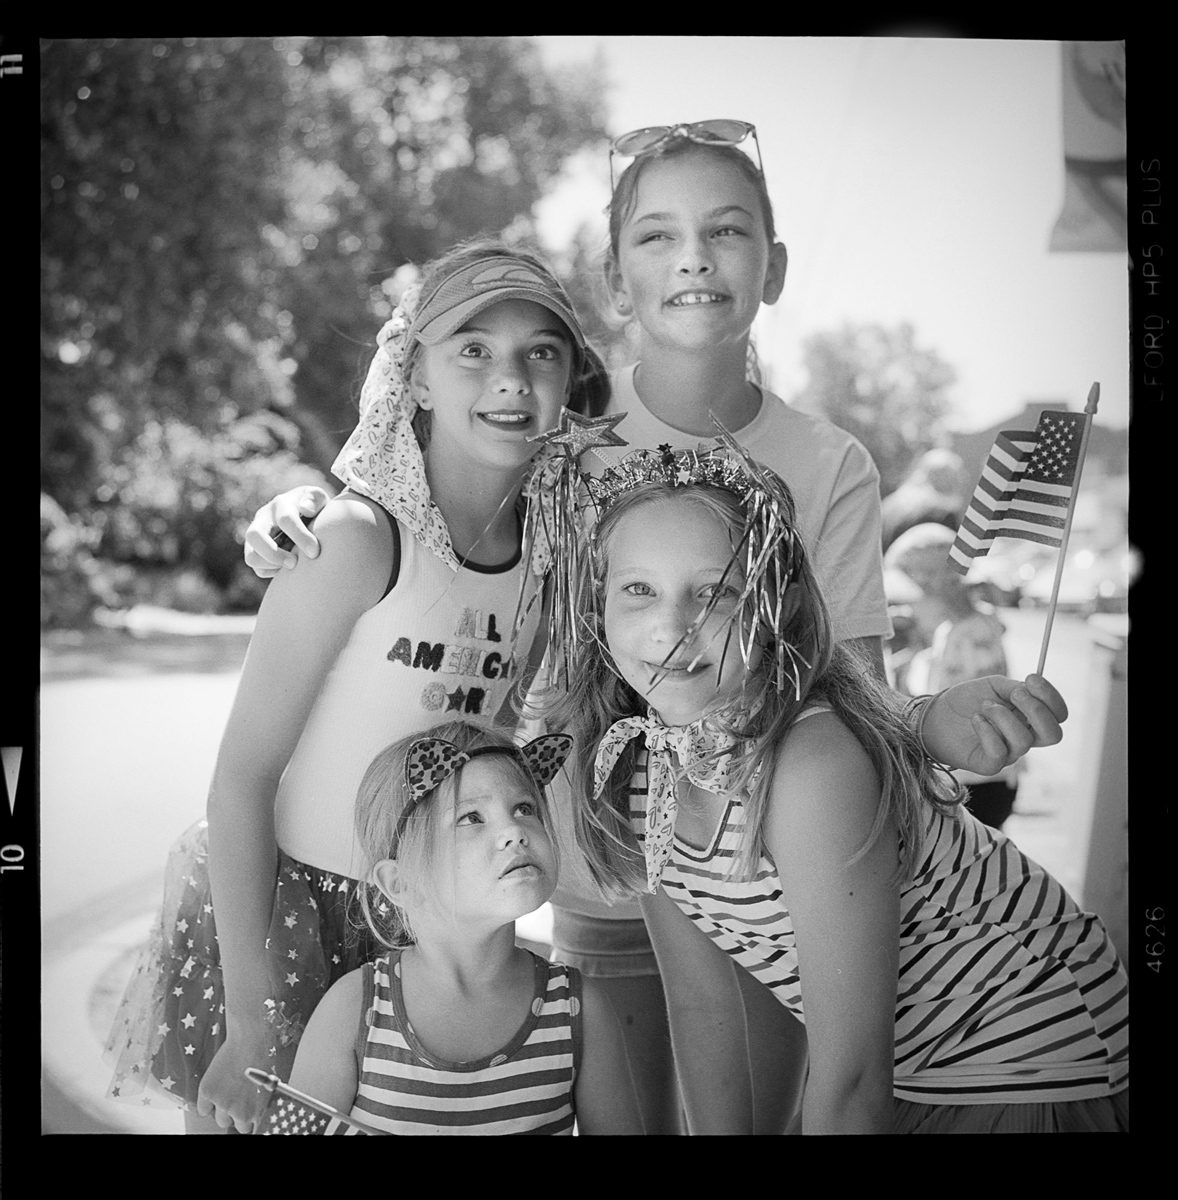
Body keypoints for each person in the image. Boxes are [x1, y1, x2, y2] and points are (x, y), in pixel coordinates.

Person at [237, 122, 1069, 1131]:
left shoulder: (828, 461)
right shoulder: (564, 430)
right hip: (593, 868)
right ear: (614, 276)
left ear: (774, 267)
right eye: (657, 235)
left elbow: (856, 702)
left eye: (725, 232)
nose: (691, 258)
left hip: (767, 885)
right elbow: (433, 495)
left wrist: (936, 719)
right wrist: (302, 504)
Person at [103, 239, 608, 1134]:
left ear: (570, 378)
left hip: (428, 924)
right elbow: (243, 776)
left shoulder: (549, 564)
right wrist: (251, 1012)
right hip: (284, 914)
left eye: (542, 351)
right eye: (473, 350)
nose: (510, 378)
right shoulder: (356, 542)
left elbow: (490, 756)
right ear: (414, 379)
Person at [535, 438, 1127, 1135]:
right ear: (595, 606)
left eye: (714, 592)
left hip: (1033, 1054)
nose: (671, 628)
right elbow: (704, 1003)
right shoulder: (636, 766)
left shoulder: (809, 762)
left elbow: (851, 1081)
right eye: (638, 589)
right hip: (915, 1073)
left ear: (773, 602)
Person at [284, 720, 641, 1135]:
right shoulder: (354, 1012)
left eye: (524, 809)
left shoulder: (577, 1011)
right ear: (400, 883)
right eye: (471, 817)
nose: (514, 832)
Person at [884, 522, 1021, 829]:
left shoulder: (963, 636)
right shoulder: (972, 627)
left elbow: (933, 707)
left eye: (909, 598)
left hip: (970, 783)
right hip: (979, 778)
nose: (902, 607)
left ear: (940, 588)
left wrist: (908, 660)